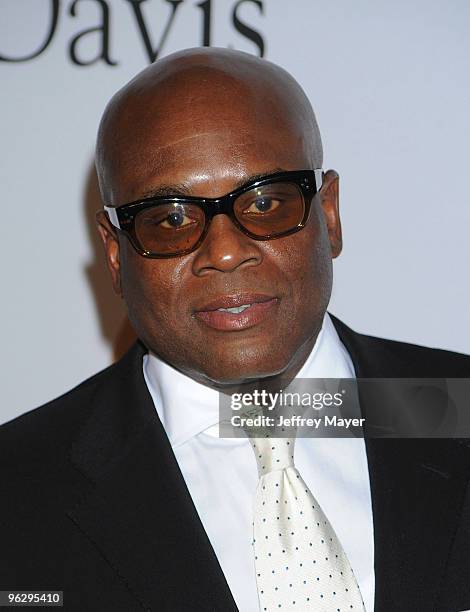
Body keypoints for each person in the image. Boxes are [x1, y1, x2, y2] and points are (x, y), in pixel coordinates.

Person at [1, 47, 469, 612]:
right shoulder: (17, 492)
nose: (224, 253)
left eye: (267, 202)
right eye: (170, 219)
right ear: (116, 254)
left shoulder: (456, 404)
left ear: (329, 215)